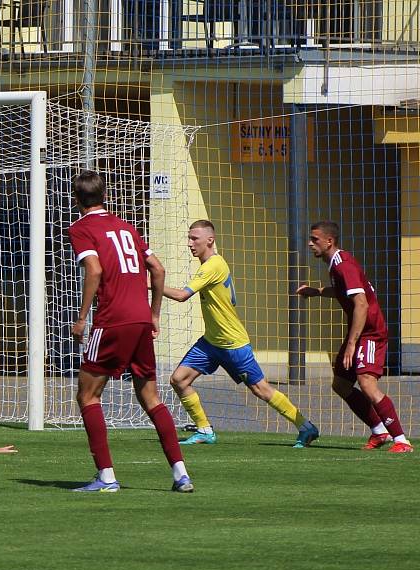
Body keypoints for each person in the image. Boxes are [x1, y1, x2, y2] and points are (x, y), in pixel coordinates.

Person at [68, 170, 193, 493]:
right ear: (105, 196)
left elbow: (94, 269)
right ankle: (181, 474)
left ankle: (106, 477)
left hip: (112, 320)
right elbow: (159, 269)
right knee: (150, 396)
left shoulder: (81, 228)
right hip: (139, 319)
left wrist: (82, 318)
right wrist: (153, 314)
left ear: (76, 199)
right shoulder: (126, 227)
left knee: (87, 395)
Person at [163, 220, 319, 448]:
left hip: (232, 343)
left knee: (261, 390)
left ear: (210, 240)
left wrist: (151, 283)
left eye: (194, 238)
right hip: (211, 341)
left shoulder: (212, 266)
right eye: (189, 238)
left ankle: (306, 427)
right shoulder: (211, 265)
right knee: (179, 379)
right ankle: (204, 430)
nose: (190, 243)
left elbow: (181, 295)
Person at [297, 220, 412, 453]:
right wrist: (317, 292)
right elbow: (344, 293)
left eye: (314, 239)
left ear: (329, 241)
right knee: (340, 384)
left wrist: (351, 344)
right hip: (359, 333)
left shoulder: (343, 265)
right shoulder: (335, 264)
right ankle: (379, 431)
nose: (310, 244)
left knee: (367, 384)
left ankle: (401, 440)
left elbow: (360, 304)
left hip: (370, 333)